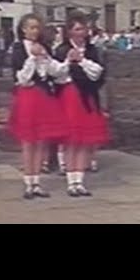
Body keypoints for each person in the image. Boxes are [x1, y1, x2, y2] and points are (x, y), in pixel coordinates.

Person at [10, 13, 67, 199]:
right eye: (31, 27)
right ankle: (29, 182)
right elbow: (22, 78)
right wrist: (33, 59)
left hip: (44, 96)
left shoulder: (45, 48)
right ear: (23, 29)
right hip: (28, 96)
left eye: (37, 27)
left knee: (41, 141)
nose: (35, 31)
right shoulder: (18, 48)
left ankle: (37, 182)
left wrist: (49, 58)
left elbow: (56, 72)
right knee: (28, 141)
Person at [54, 11, 109, 197]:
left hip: (88, 96)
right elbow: (57, 76)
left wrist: (82, 61)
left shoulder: (93, 50)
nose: (81, 32)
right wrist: (69, 61)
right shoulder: (62, 50)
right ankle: (71, 182)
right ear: (69, 32)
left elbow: (98, 73)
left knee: (85, 141)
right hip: (69, 96)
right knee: (71, 141)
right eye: (77, 29)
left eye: (83, 28)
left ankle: (80, 181)